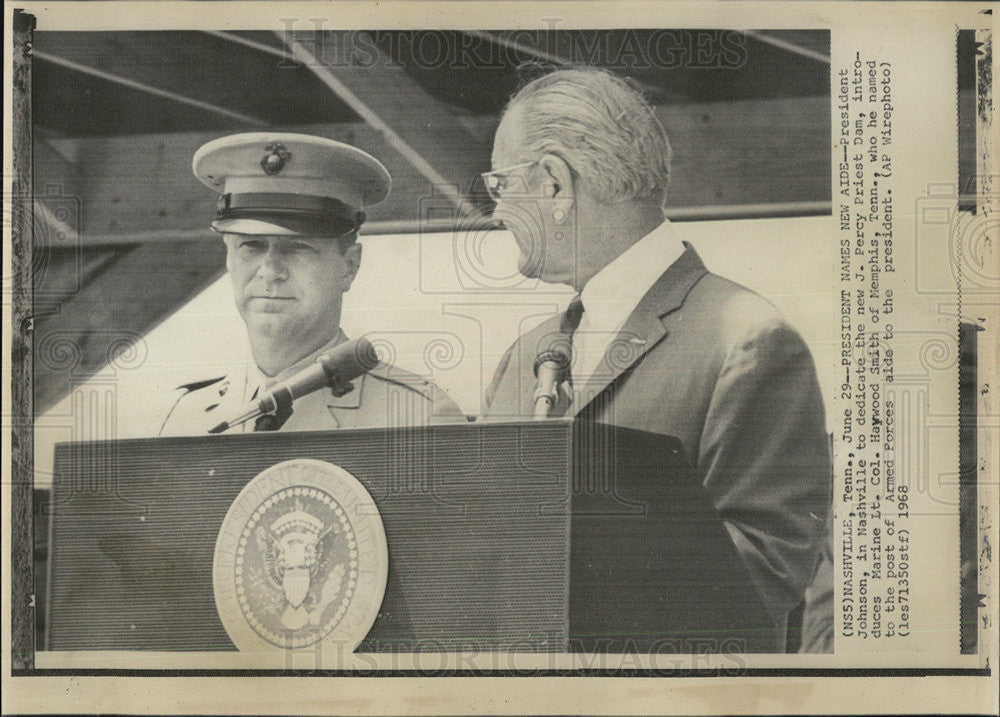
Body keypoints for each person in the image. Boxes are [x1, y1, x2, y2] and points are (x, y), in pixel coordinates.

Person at [481, 68, 832, 649]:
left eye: (499, 186)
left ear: (552, 183)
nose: (495, 214)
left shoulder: (749, 342)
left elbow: (768, 570)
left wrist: (565, 551)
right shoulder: (525, 356)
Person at [160, 132, 463, 435]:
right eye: (251, 245)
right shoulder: (185, 417)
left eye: (298, 247)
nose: (270, 270)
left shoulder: (416, 417)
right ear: (227, 256)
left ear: (349, 266)